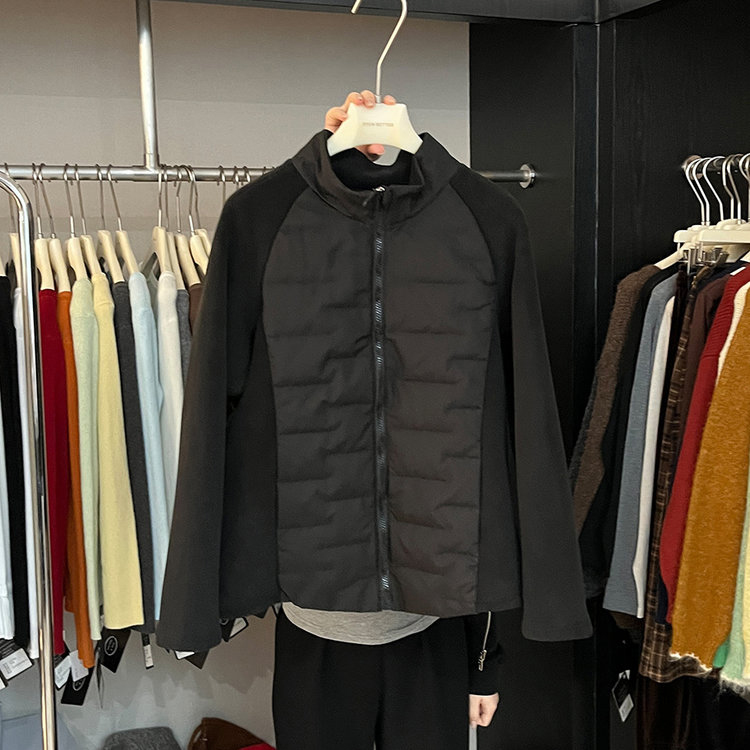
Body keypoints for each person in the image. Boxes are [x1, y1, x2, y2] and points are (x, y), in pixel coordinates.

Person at [270, 90, 502, 750]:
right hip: (313, 627)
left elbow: (485, 466)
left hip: (429, 627)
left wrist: (485, 662)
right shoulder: (276, 231)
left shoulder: (472, 231)